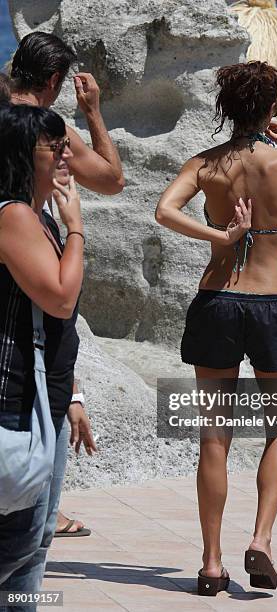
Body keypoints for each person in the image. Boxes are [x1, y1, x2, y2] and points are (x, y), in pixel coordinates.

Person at [156, 61, 277, 595]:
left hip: (218, 300)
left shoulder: (206, 164)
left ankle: (210, 563)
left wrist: (221, 236)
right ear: (271, 108)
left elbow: (164, 210)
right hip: (273, 301)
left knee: (214, 434)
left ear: (226, 109)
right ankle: (262, 540)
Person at [10, 30, 124, 534]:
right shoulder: (46, 126)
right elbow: (110, 178)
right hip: (31, 239)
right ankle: (36, 515)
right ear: (55, 80)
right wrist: (94, 112)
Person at [0, 104, 96, 609]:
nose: (65, 154)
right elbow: (60, 297)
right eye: (52, 146)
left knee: (33, 550)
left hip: (46, 399)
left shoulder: (37, 218)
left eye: (65, 144)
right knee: (16, 553)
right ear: (21, 153)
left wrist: (74, 392)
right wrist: (77, 226)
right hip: (12, 403)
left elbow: (56, 324)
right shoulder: (13, 215)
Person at [10, 31, 124, 195]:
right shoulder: (47, 130)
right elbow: (113, 182)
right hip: (25, 219)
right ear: (54, 80)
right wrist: (92, 111)